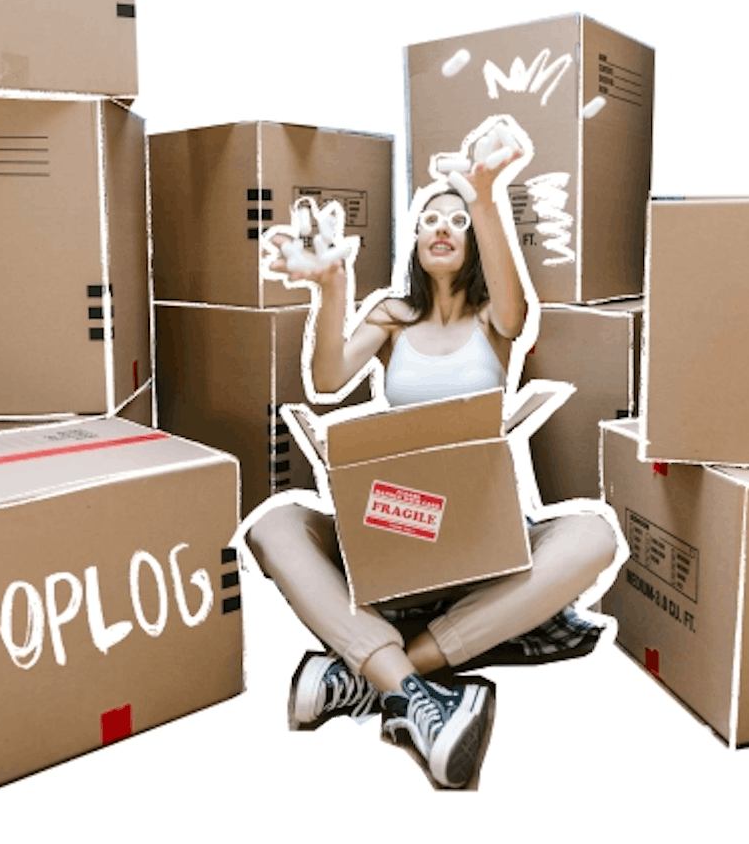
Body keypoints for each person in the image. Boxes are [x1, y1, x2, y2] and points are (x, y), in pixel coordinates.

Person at [247, 140, 619, 789]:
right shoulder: (391, 316)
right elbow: (327, 377)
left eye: (456, 220)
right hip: (395, 536)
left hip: (484, 541)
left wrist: (484, 194)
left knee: (594, 534)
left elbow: (518, 309)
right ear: (415, 243)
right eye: (428, 220)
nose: (440, 227)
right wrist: (332, 285)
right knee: (276, 522)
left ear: (474, 241)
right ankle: (417, 689)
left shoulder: (494, 322)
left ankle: (380, 677)